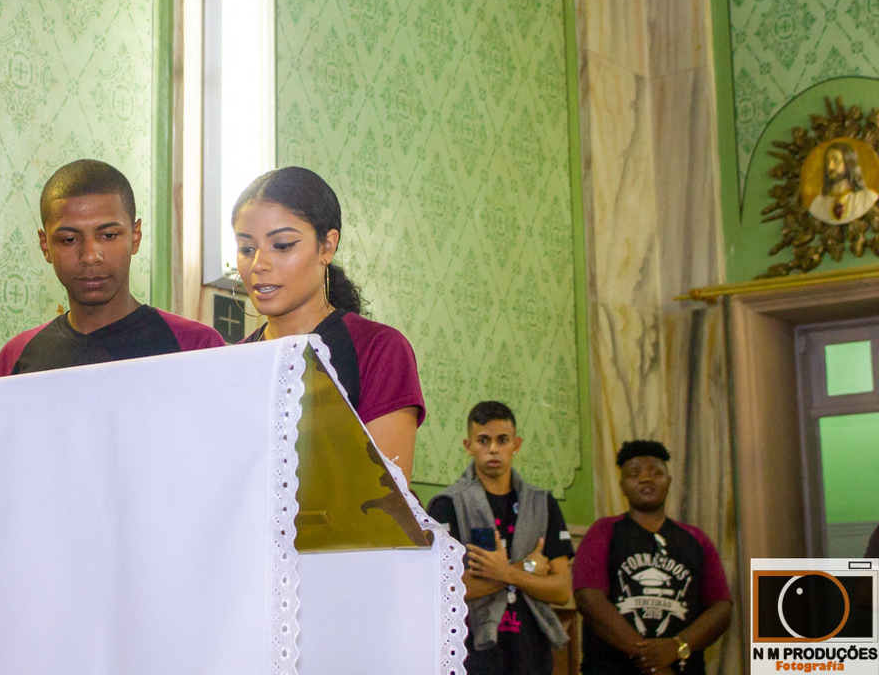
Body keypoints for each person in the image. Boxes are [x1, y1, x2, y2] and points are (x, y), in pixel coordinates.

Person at [231, 166, 424, 482]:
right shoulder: (233, 362)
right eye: (246, 249)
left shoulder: (378, 350)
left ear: (327, 246)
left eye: (282, 245)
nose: (258, 265)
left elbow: (385, 500)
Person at [0, 159, 223, 376]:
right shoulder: (15, 358)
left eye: (108, 235)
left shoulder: (197, 348)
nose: (90, 256)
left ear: (135, 237)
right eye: (69, 240)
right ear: (45, 246)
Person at [426, 401, 573, 675]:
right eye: (483, 440)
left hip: (532, 650)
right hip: (472, 651)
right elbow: (446, 589)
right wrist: (525, 569)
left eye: (502, 440)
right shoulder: (446, 504)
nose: (493, 449)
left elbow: (562, 590)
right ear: (468, 445)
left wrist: (502, 573)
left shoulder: (543, 503)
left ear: (516, 444)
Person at [573, 440, 732, 675]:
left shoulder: (696, 539)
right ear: (622, 486)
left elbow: (721, 608)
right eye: (634, 473)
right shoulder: (604, 531)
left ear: (669, 481)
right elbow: (589, 597)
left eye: (656, 472)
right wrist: (651, 660)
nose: (646, 479)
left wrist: (676, 647)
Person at [808, 141, 878, 224]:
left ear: (848, 163)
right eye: (827, 161)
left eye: (835, 160)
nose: (830, 166)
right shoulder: (817, 203)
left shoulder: (867, 197)